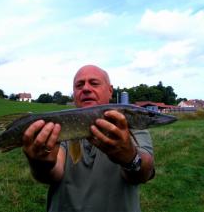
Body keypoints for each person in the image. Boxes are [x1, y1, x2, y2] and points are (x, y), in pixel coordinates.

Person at [22, 65, 155, 212]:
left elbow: (144, 173)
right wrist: (40, 164)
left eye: (94, 83)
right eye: (79, 85)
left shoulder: (129, 124)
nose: (85, 88)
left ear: (110, 90)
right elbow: (54, 173)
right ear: (74, 93)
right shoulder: (62, 124)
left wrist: (131, 158)